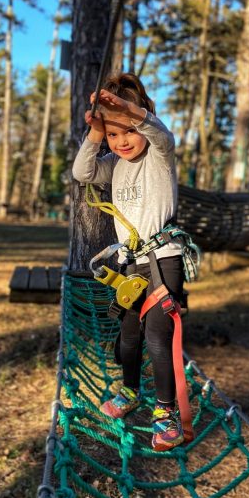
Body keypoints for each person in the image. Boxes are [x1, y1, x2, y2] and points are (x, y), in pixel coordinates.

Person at [72, 72, 185, 451]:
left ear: (142, 122)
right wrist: (95, 132)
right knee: (129, 337)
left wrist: (132, 113)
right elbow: (82, 172)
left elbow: (161, 135)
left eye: (128, 132)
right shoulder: (114, 163)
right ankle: (130, 390)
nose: (121, 142)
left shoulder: (159, 155)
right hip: (129, 264)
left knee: (158, 336)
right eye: (113, 135)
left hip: (163, 260)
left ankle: (165, 412)